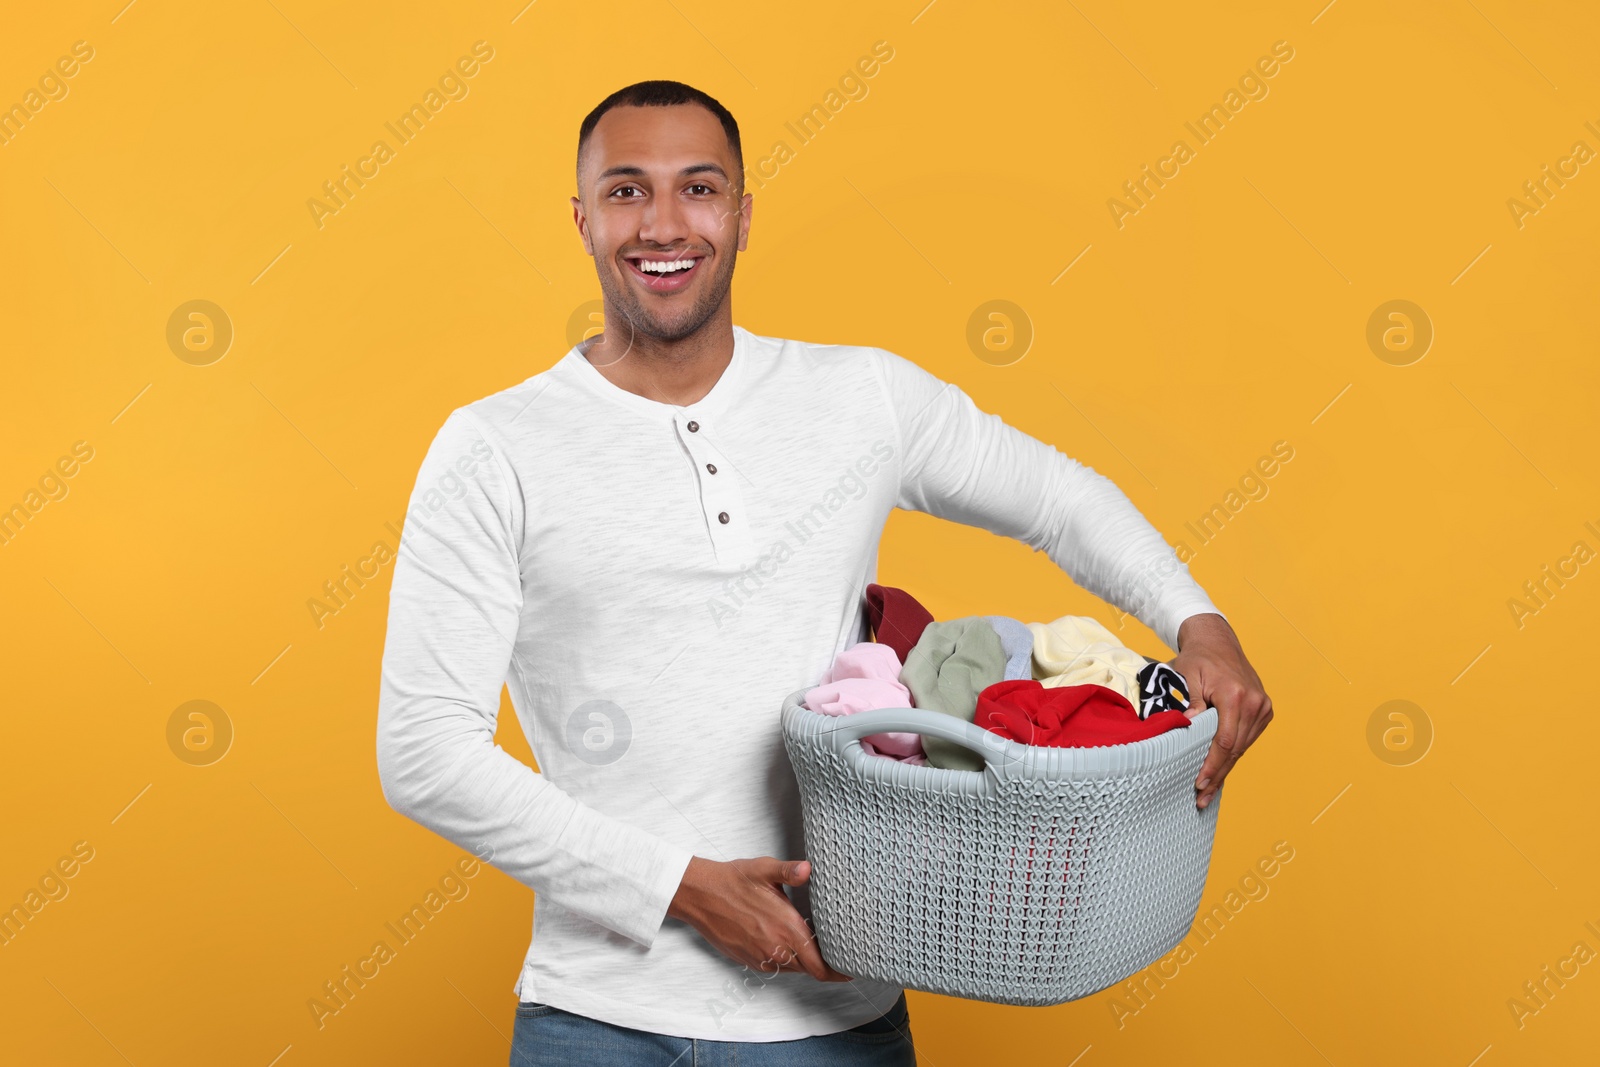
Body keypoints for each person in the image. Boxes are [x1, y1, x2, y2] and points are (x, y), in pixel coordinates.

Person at [375, 79, 1273, 1067]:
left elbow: (1060, 497)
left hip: (833, 1016)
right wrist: (680, 883)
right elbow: (422, 748)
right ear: (582, 217)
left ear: (744, 215)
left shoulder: (861, 399)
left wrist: (1195, 620)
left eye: (699, 188)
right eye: (626, 191)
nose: (663, 223)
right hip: (595, 1017)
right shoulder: (493, 447)